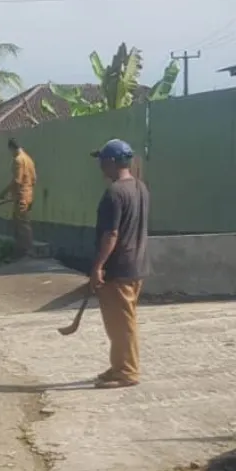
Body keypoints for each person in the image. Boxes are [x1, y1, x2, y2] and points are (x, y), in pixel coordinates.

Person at [89, 139, 150, 390]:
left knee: (122, 324)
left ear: (112, 162)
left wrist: (98, 266)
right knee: (120, 322)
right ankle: (119, 365)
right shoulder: (140, 187)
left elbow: (111, 234)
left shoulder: (114, 193)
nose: (100, 165)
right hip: (136, 266)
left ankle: (127, 372)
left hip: (118, 269)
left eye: (102, 160)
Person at [0, 137, 37, 259]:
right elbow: (34, 179)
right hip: (29, 195)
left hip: (21, 196)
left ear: (12, 148)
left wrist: (4, 192)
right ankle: (21, 250)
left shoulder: (18, 160)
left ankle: (27, 251)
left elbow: (17, 180)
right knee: (21, 222)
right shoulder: (29, 159)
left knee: (22, 225)